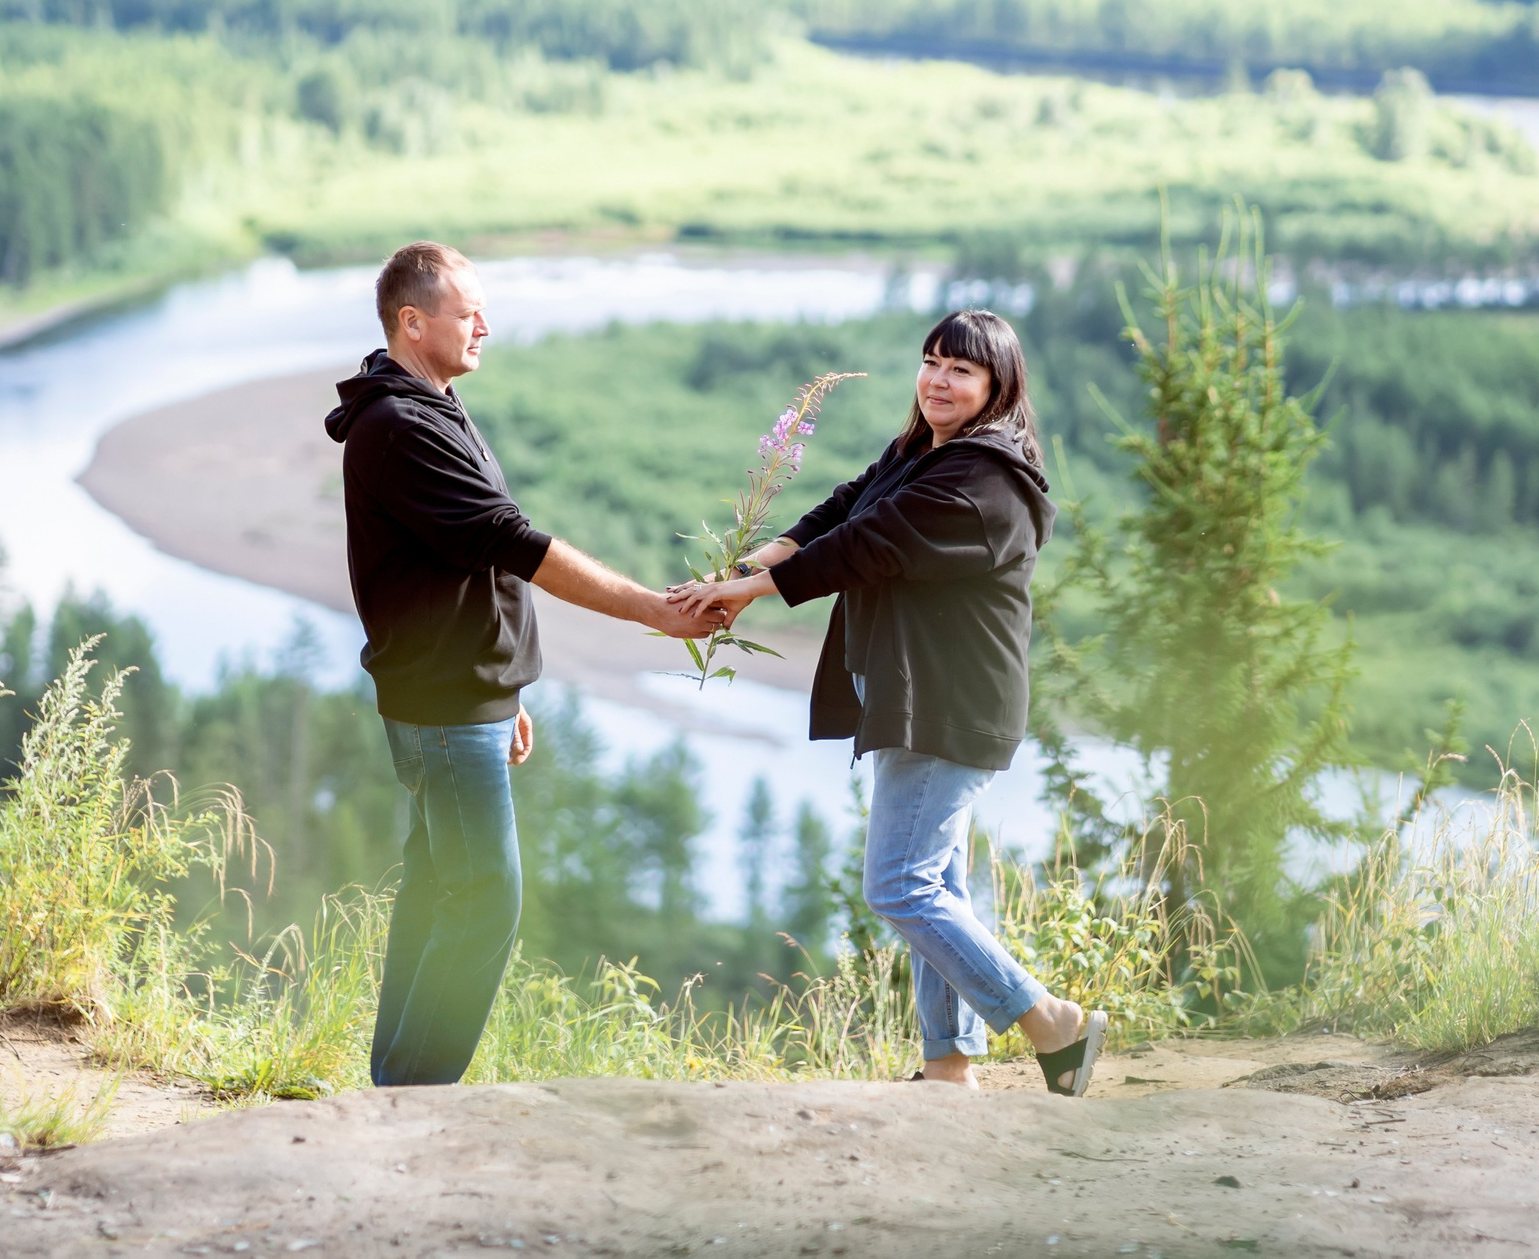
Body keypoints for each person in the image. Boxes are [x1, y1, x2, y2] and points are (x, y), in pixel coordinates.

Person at [670, 307, 1109, 1095]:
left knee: (899, 886)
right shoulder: (924, 449)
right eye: (931, 361)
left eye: (961, 370)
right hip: (915, 692)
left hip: (950, 702)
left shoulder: (987, 481)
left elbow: (874, 542)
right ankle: (948, 1065)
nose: (939, 380)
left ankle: (1049, 1020)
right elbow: (848, 506)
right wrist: (761, 559)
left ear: (998, 386)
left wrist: (749, 589)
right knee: (936, 884)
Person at [326, 240, 719, 1087]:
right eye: (470, 313)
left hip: (460, 700)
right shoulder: (400, 426)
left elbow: (466, 563)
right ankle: (414, 1104)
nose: (485, 327)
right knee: (486, 905)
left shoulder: (430, 402)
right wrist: (654, 608)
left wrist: (504, 688)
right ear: (412, 320)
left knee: (438, 894)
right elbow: (513, 544)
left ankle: (392, 1089)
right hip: (441, 712)